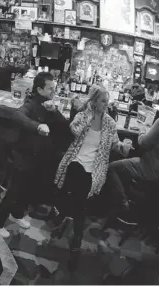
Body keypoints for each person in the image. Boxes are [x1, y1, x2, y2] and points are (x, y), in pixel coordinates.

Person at [52, 86, 130, 269]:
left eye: (107, 101)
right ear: (94, 101)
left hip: (94, 168)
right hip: (75, 161)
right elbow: (74, 130)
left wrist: (123, 147)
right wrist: (86, 114)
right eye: (103, 101)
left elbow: (115, 145)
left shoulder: (110, 123)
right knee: (74, 192)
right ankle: (71, 227)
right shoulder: (83, 116)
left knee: (80, 200)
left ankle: (76, 237)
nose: (106, 104)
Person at [0, 72, 70, 237]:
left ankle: (17, 214)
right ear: (40, 90)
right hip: (23, 155)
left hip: (38, 156)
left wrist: (55, 111)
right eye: (50, 89)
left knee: (27, 190)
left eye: (54, 88)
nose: (53, 92)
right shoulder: (32, 104)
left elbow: (64, 127)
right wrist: (37, 126)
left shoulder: (48, 105)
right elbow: (17, 115)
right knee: (14, 191)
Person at [107, 96, 159, 223]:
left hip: (147, 166)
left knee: (111, 167)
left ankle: (123, 204)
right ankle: (127, 197)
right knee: (125, 165)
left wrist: (142, 129)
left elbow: (143, 143)